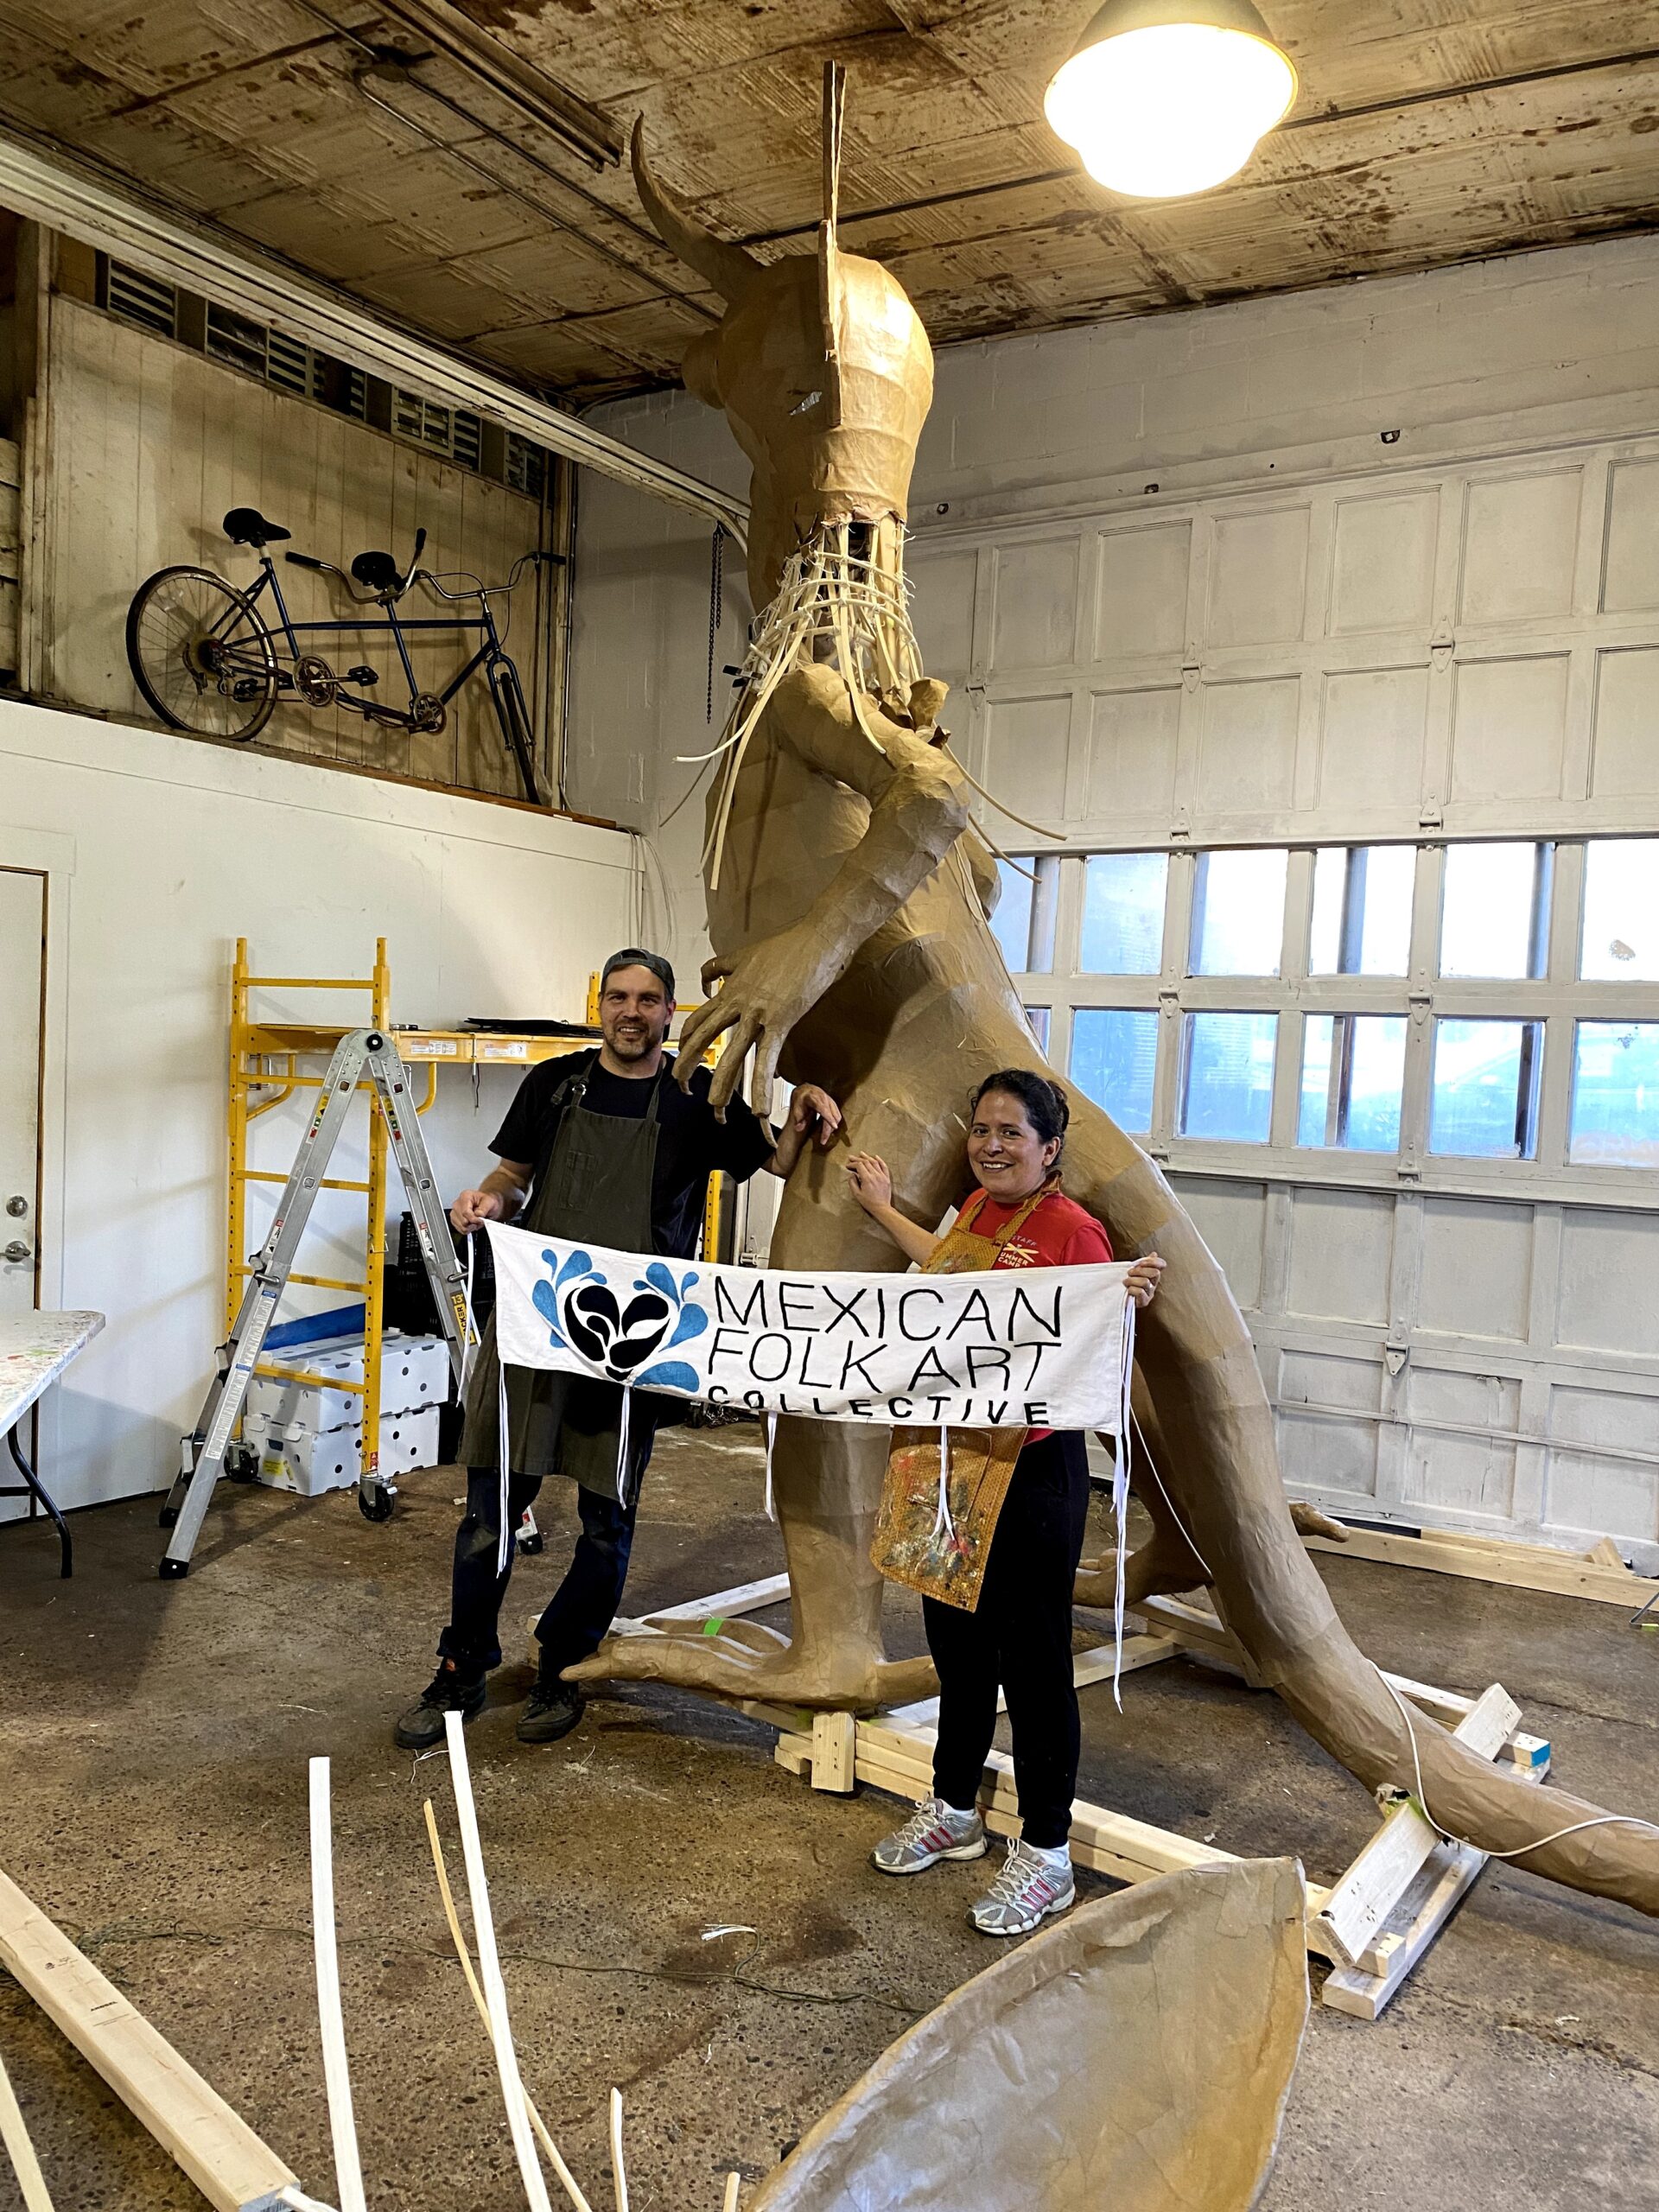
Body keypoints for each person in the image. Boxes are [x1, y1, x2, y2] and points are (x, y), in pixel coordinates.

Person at [394, 948, 842, 1751]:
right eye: (618, 998)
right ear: (601, 1006)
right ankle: (462, 1665)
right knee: (490, 1508)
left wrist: (803, 1101)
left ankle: (564, 1661)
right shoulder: (555, 1085)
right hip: (535, 1326)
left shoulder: (698, 1098)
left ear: (672, 1013)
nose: (631, 1012)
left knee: (606, 1515)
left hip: (633, 1341)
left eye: (648, 1000)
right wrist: (487, 1199)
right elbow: (513, 1176)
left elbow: (771, 1159)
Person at [844, 1069, 1165, 1936]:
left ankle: (1048, 1853)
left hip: (1031, 1474)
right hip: (948, 1465)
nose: (991, 1144)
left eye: (1010, 1133)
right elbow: (944, 1273)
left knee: (1032, 1667)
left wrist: (1124, 1298)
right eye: (981, 1128)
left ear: (1049, 1148)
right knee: (956, 1648)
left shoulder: (1074, 1230)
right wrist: (880, 1206)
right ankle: (955, 1807)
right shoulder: (977, 1213)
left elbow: (1101, 1336)